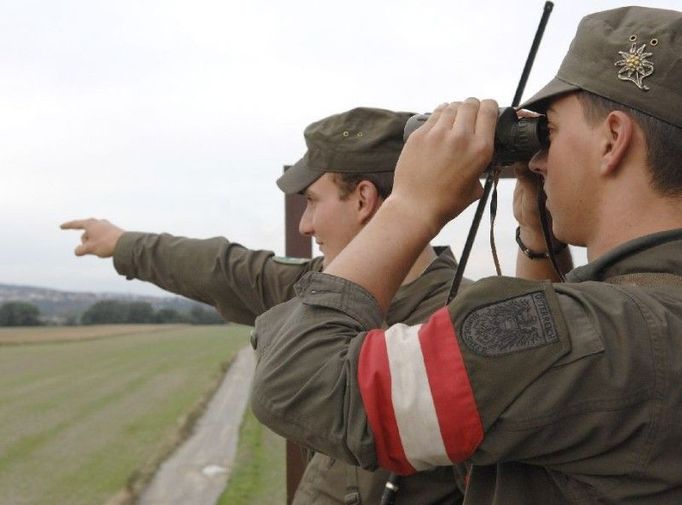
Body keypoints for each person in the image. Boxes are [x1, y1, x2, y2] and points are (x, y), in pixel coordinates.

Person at [250, 6, 682, 504]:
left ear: (612, 139)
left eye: (552, 132)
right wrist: (535, 235)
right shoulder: (636, 326)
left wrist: (413, 204)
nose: (538, 160)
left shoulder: (587, 335)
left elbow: (297, 385)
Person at [61, 107, 469, 504]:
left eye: (312, 200)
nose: (304, 225)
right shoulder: (316, 288)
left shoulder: (463, 325)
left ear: (363, 199)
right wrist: (122, 243)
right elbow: (223, 269)